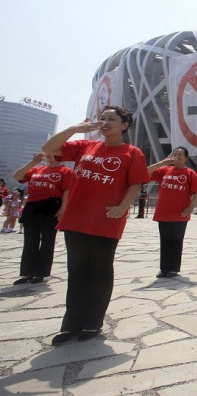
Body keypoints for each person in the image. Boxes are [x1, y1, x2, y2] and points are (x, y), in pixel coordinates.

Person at [42, 106, 149, 345]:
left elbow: (136, 184)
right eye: (102, 118)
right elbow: (48, 149)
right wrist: (73, 129)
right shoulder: (84, 147)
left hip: (106, 219)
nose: (105, 122)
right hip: (77, 218)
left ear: (124, 125)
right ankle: (71, 324)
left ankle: (93, 322)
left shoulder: (132, 153)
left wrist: (122, 207)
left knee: (100, 271)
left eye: (112, 118)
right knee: (77, 271)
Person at [11, 152, 73, 284]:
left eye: (54, 152)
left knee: (47, 241)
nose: (49, 154)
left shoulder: (65, 171)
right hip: (32, 206)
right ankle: (27, 273)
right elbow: (17, 176)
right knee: (30, 240)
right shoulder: (36, 169)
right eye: (48, 152)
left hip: (51, 206)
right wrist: (33, 162)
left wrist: (63, 209)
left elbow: (67, 191)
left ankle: (41, 273)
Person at [147, 146, 197, 278]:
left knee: (176, 241)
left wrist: (190, 208)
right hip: (163, 212)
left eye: (180, 154)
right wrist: (162, 163)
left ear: (186, 158)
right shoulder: (164, 170)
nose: (177, 156)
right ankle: (164, 268)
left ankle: (173, 268)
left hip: (180, 214)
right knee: (164, 241)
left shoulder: (190, 173)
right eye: (175, 154)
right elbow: (146, 172)